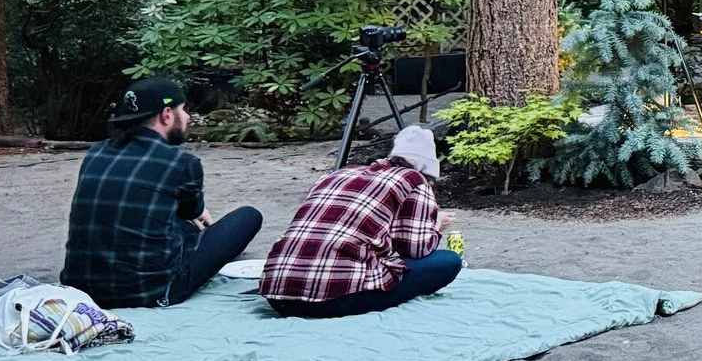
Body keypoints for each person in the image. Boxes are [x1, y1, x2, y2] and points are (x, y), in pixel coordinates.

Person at [61, 76, 263, 309]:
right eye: (183, 110)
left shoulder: (96, 152)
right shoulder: (181, 163)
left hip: (81, 290)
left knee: (164, 221)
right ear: (167, 115)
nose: (187, 117)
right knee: (248, 216)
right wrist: (197, 214)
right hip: (149, 293)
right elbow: (192, 212)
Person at [261, 124, 463, 319]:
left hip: (276, 293)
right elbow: (416, 249)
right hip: (331, 297)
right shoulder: (414, 179)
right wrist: (435, 224)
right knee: (448, 261)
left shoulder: (338, 174)